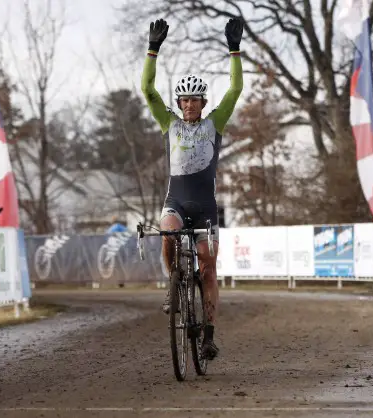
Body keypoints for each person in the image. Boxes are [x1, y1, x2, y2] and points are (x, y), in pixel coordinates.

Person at [141, 17, 244, 360]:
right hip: (177, 202)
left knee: (208, 266)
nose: (188, 105)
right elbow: (148, 91)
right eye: (183, 100)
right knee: (168, 234)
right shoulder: (167, 122)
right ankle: (173, 286)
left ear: (202, 102)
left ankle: (209, 335)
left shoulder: (215, 122)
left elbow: (234, 91)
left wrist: (234, 51)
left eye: (194, 100)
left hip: (205, 207)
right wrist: (152, 51)